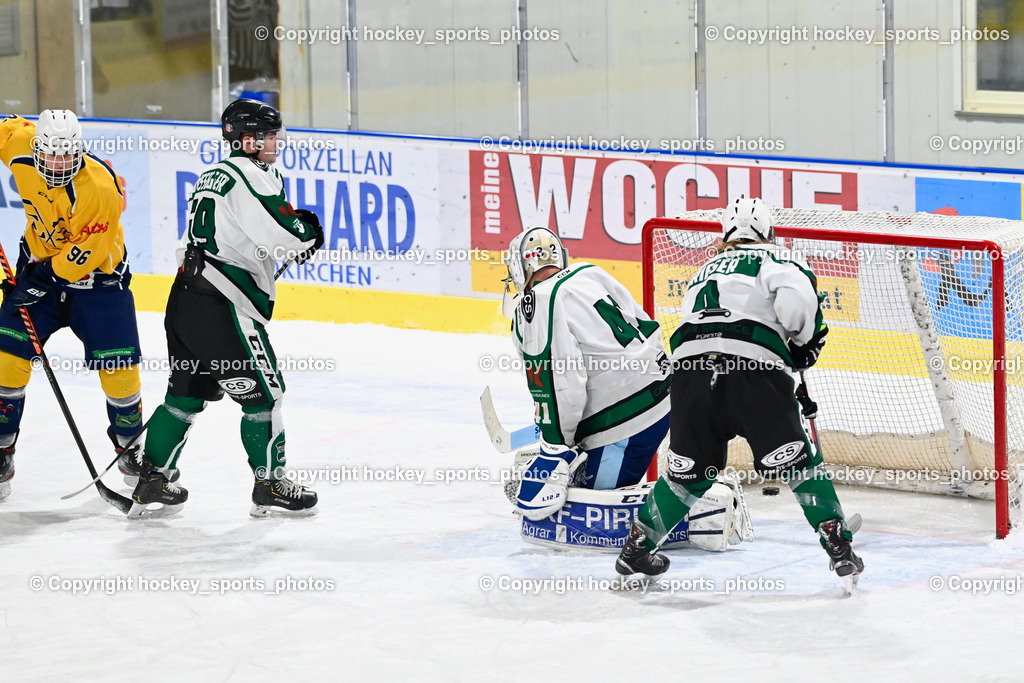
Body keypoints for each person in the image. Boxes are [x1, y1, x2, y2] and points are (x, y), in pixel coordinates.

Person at [615, 197, 864, 584]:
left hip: (690, 375)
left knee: (685, 476)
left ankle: (638, 547)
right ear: (769, 233)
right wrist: (805, 344)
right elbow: (799, 305)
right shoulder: (777, 259)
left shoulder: (703, 270)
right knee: (798, 465)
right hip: (753, 372)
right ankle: (836, 540)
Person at [128, 99, 324, 518]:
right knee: (265, 398)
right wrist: (307, 232)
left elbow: (242, 231)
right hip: (222, 304)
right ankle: (270, 484)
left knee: (184, 395)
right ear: (246, 138)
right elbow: (284, 231)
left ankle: (152, 479)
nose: (275, 142)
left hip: (184, 299)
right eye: (268, 135)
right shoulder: (249, 175)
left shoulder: (214, 174)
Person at [0, 110, 145, 501]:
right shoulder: (19, 145)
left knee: (119, 369)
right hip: (40, 272)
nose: (60, 164)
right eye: (53, 156)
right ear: (38, 148)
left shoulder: (99, 186)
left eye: (68, 156)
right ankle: (2, 450)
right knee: (7, 358)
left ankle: (131, 448)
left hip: (98, 281)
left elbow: (85, 254)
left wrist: (38, 278)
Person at [503, 226, 671, 520]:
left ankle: (680, 506)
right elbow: (644, 323)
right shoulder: (589, 272)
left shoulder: (537, 303)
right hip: (664, 395)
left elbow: (559, 384)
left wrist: (556, 447)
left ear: (519, 267)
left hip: (625, 425)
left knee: (580, 513)